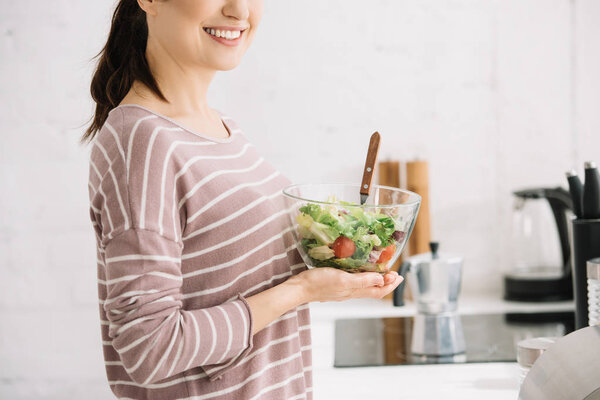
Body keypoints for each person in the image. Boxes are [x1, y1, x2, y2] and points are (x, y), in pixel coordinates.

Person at [82, 0, 403, 399]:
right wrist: (302, 291)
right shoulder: (142, 143)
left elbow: (238, 281)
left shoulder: (219, 127)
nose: (239, 10)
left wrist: (342, 263)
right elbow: (150, 348)